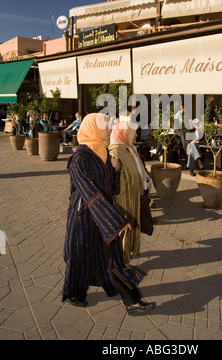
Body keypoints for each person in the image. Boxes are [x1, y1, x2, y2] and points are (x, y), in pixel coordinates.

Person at [62, 113, 156, 315]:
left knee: (114, 259)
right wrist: (115, 221)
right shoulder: (79, 159)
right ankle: (73, 293)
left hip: (104, 216)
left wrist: (115, 169)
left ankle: (133, 301)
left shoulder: (103, 154)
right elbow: (90, 193)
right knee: (80, 258)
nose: (108, 130)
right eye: (104, 127)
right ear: (92, 129)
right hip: (84, 218)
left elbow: (111, 189)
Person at [109, 120, 151, 264]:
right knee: (123, 228)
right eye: (133, 132)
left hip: (133, 196)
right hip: (123, 198)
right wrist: (117, 167)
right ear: (124, 133)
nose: (136, 135)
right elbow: (111, 176)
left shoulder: (129, 148)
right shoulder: (115, 150)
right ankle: (121, 260)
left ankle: (127, 256)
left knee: (132, 225)